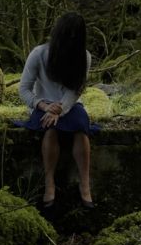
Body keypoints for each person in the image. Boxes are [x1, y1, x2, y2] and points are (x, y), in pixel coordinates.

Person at [17, 12, 95, 209]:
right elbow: (24, 89)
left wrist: (59, 109)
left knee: (80, 129)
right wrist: (43, 106)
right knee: (50, 130)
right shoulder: (39, 53)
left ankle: (85, 186)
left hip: (69, 106)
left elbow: (76, 90)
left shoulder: (84, 56)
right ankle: (49, 183)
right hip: (42, 104)